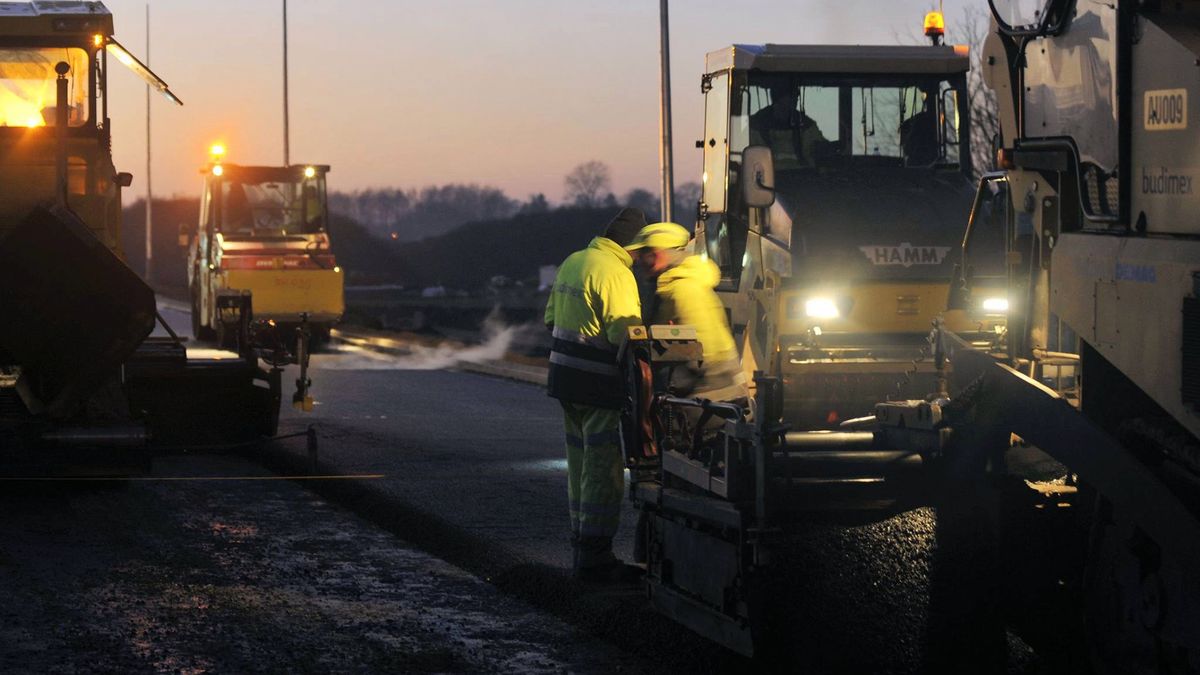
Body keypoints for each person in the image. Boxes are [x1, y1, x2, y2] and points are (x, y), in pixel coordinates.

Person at [544, 207, 646, 582]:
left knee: (580, 466)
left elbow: (551, 319)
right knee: (602, 471)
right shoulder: (616, 273)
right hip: (597, 386)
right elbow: (627, 335)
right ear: (631, 245)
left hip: (564, 382)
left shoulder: (574, 261)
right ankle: (597, 555)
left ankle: (581, 545)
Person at [627, 222, 748, 404]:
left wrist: (657, 355)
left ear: (662, 254)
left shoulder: (684, 288)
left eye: (646, 254)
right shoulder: (672, 286)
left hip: (713, 394)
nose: (640, 261)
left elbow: (705, 350)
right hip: (712, 392)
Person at [749, 83, 828, 170]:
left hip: (803, 177)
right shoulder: (756, 125)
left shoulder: (806, 125)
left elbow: (821, 149)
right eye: (791, 96)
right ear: (778, 98)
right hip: (765, 179)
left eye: (796, 96)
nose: (795, 100)